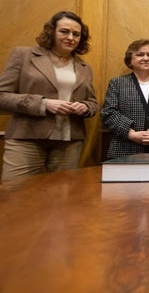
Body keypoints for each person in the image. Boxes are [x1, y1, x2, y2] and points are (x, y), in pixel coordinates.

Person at [0, 11, 98, 180]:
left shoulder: (84, 67)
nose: (71, 37)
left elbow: (92, 103)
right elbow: (2, 96)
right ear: (51, 31)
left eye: (76, 34)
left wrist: (85, 107)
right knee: (15, 196)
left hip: (69, 141)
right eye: (64, 31)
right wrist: (43, 104)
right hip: (27, 138)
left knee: (62, 197)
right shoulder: (24, 56)